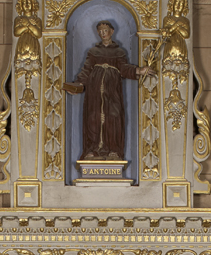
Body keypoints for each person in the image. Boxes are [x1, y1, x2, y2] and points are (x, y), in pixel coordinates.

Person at [64, 21, 153, 161]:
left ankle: (114, 150)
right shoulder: (93, 52)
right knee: (93, 116)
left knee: (113, 116)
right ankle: (92, 149)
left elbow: (124, 69)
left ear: (111, 32)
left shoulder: (119, 52)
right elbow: (86, 70)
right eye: (100, 31)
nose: (102, 33)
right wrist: (78, 85)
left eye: (105, 30)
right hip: (94, 90)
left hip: (112, 89)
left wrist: (139, 70)